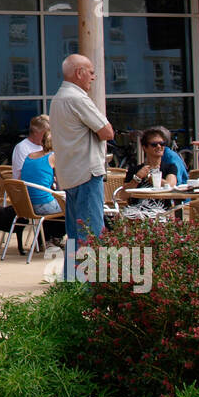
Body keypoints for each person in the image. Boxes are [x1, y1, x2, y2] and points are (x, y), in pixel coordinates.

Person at [49, 54, 114, 264]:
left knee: (75, 235)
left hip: (70, 175)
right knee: (92, 234)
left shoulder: (58, 98)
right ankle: (93, 289)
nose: (93, 78)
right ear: (79, 73)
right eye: (92, 72)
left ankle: (73, 285)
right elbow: (107, 132)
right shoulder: (77, 98)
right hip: (87, 173)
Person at [19, 131, 65, 247]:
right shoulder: (54, 157)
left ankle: (47, 238)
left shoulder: (29, 156)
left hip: (27, 205)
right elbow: (62, 184)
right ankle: (52, 238)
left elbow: (21, 178)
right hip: (42, 205)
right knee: (73, 209)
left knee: (55, 203)